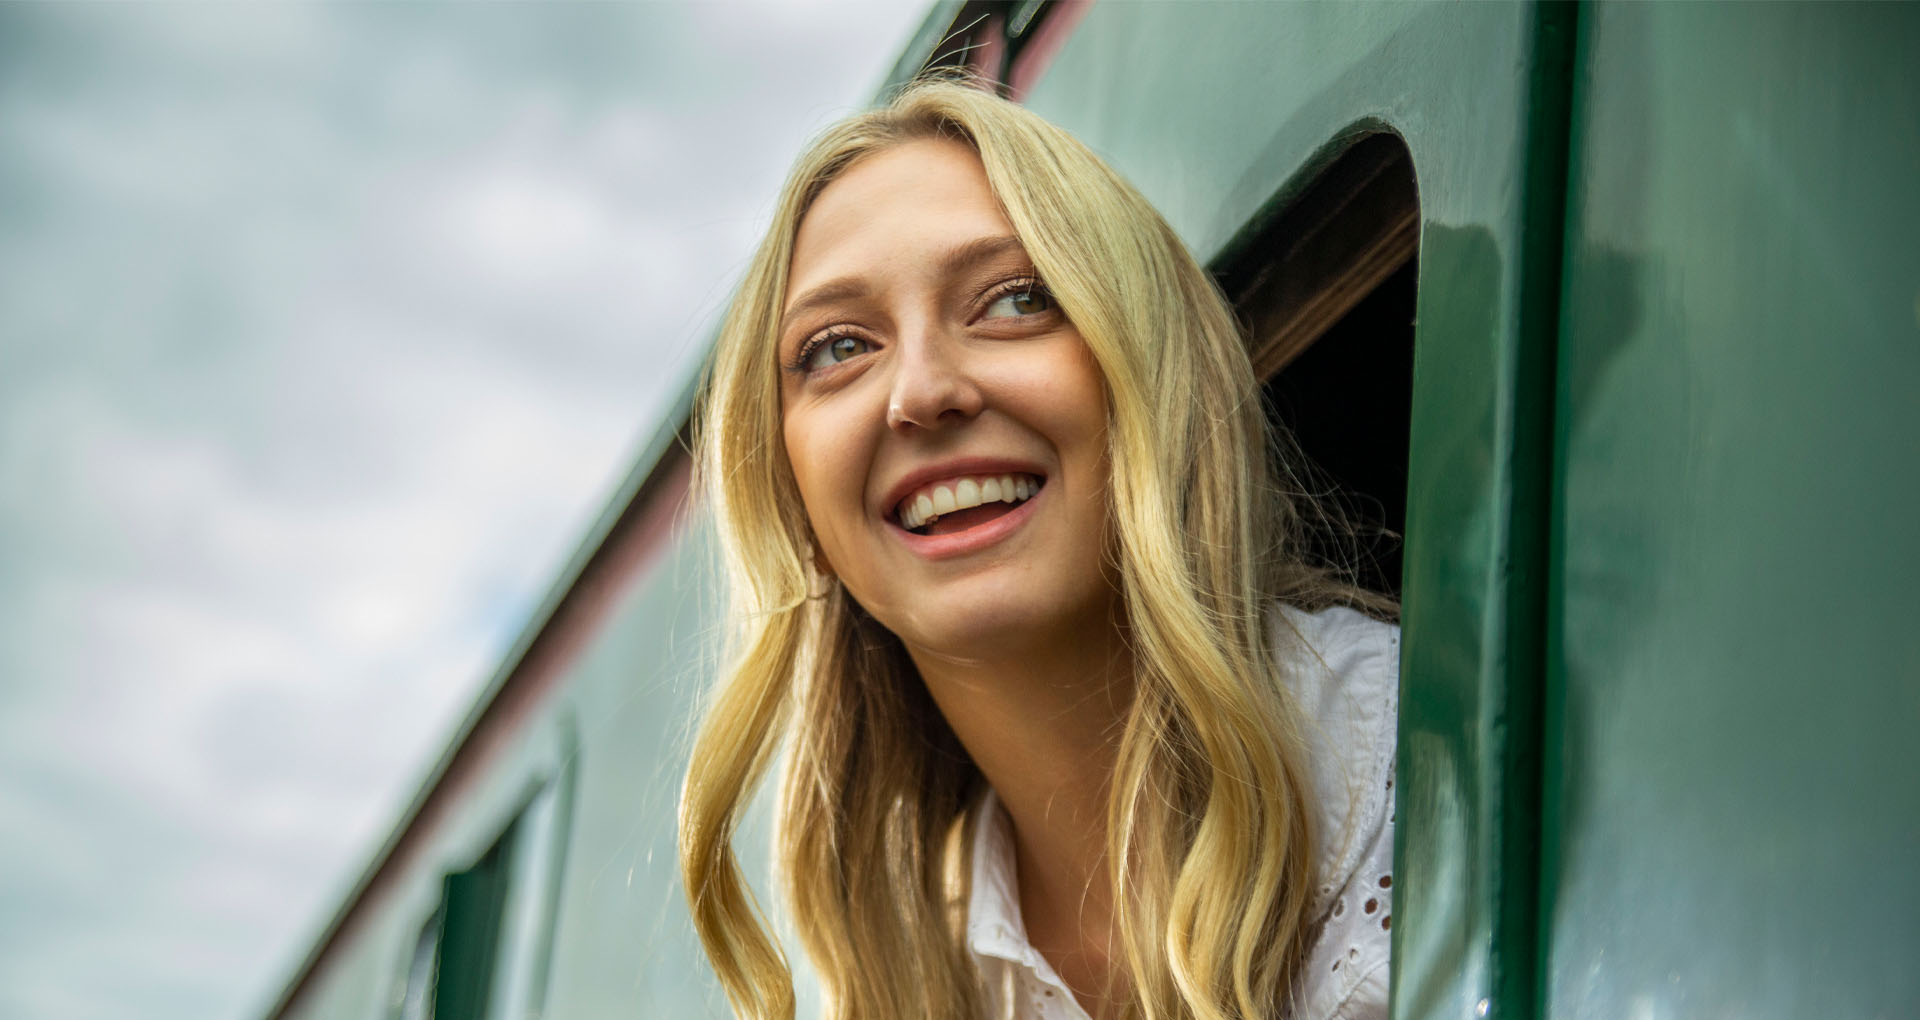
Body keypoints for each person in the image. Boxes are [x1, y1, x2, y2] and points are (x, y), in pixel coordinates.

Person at [678, 77, 1399, 1020]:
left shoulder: (1403, 766)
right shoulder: (927, 967)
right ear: (790, 497)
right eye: (836, 348)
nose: (922, 391)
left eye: (1015, 299)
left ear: (1150, 381)